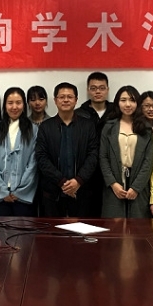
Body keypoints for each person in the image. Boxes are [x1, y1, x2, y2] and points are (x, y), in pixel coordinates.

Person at [35, 82, 98, 217]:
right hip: (53, 193)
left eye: (69, 97)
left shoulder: (88, 126)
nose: (65, 100)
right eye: (62, 97)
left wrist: (78, 180)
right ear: (55, 100)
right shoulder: (45, 127)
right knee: (54, 229)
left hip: (82, 192)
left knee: (81, 229)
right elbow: (41, 157)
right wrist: (62, 182)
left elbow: (93, 156)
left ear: (76, 100)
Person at [99, 86, 153, 218]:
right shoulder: (109, 127)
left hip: (138, 184)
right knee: (114, 226)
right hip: (115, 183)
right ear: (117, 103)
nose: (128, 104)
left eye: (132, 100)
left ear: (137, 103)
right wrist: (113, 184)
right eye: (123, 100)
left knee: (137, 226)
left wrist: (136, 187)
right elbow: (103, 157)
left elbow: (148, 161)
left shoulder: (146, 128)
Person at [0, 87, 38, 217]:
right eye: (10, 103)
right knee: (1, 228)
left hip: (23, 195)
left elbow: (33, 163)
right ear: (4, 105)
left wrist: (19, 191)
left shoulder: (33, 129)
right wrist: (3, 191)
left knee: (23, 228)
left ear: (24, 105)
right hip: (0, 195)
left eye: (18, 102)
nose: (14, 107)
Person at [75, 72, 116, 217]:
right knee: (87, 217)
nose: (97, 92)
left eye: (101, 88)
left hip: (112, 173)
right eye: (93, 88)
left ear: (107, 90)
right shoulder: (78, 114)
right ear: (88, 90)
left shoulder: (116, 112)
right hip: (86, 175)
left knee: (110, 218)